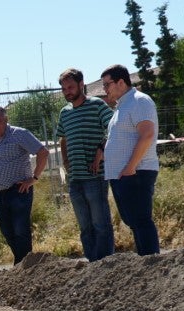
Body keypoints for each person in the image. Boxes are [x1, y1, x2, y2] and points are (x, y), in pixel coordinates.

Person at [55, 68, 115, 261]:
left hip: (95, 176)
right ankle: (92, 264)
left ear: (82, 85)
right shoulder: (65, 113)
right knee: (84, 227)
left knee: (100, 223)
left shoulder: (97, 105)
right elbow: (62, 138)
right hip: (75, 178)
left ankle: (106, 264)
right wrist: (65, 161)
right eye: (64, 89)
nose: (67, 92)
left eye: (70, 87)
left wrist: (100, 151)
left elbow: (114, 129)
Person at [101, 64, 160, 255]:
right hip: (123, 174)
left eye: (107, 85)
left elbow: (147, 135)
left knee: (141, 220)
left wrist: (130, 167)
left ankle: (152, 262)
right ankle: (146, 262)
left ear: (120, 82)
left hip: (136, 173)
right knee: (133, 221)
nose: (105, 90)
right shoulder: (122, 106)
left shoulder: (139, 101)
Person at [0, 106, 49, 264]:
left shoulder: (19, 134)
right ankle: (23, 263)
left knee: (20, 230)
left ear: (6, 120)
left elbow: (43, 152)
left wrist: (34, 178)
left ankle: (23, 266)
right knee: (6, 230)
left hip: (19, 190)